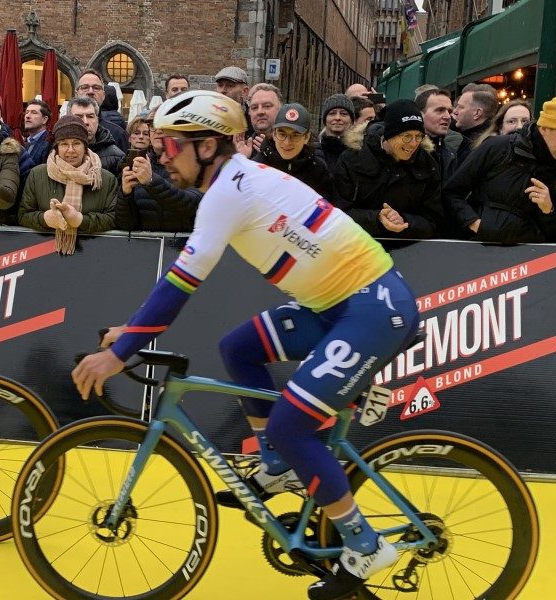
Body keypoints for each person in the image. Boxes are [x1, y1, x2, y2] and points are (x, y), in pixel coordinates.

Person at [72, 90, 419, 599]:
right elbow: (184, 267)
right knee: (239, 348)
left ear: (208, 147)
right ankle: (276, 466)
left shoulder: (230, 191)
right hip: (336, 304)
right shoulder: (233, 182)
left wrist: (119, 351)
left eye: (172, 145)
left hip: (370, 307)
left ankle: (364, 544)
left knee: (292, 424)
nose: (164, 155)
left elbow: (180, 284)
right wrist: (131, 331)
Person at [442, 97, 556, 243]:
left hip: (530, 257)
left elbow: (550, 233)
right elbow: (452, 192)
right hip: (478, 247)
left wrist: (549, 210)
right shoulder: (498, 146)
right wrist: (475, 224)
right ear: (545, 128)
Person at [332, 100, 442, 239]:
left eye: (418, 136)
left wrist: (404, 220)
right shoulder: (352, 159)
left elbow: (434, 219)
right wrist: (377, 219)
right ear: (389, 135)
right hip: (360, 244)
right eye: (406, 136)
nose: (413, 143)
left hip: (408, 247)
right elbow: (337, 214)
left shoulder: (427, 163)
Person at [18, 115, 117, 252]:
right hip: (45, 253)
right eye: (64, 143)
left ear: (85, 146)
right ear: (57, 147)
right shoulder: (37, 174)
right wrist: (45, 219)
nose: (70, 150)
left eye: (76, 143)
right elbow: (23, 215)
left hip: (93, 253)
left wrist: (80, 220)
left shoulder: (105, 179)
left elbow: (113, 218)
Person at [253, 102, 340, 203]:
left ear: (306, 137)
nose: (287, 142)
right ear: (273, 133)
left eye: (295, 136)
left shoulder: (318, 171)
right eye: (282, 134)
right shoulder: (256, 167)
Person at [68, 96, 125, 174]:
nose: (85, 122)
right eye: (79, 117)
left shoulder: (117, 157)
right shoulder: (57, 153)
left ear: (97, 121)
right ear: (68, 120)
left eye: (90, 116)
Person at [315, 93, 355, 170]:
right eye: (332, 113)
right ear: (325, 120)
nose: (337, 118)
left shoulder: (359, 153)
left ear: (352, 121)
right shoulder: (313, 152)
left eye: (343, 114)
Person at [19, 99, 52, 188]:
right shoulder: (25, 142)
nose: (27, 116)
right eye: (27, 112)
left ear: (44, 120)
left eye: (34, 113)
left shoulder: (49, 144)